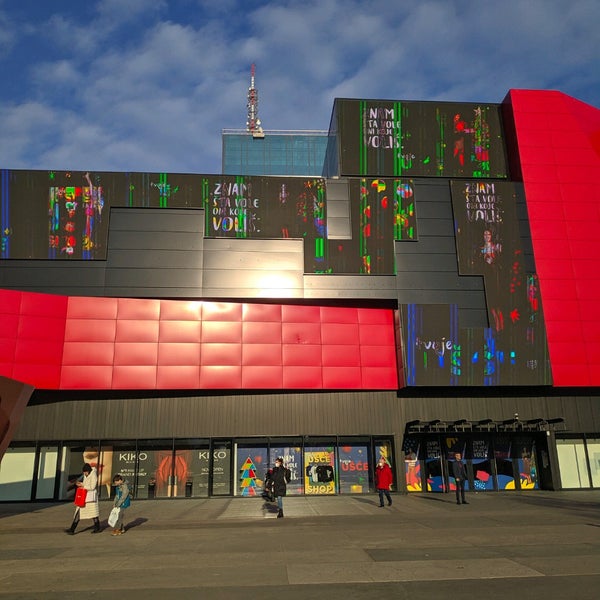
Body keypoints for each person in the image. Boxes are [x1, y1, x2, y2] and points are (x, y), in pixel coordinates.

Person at [65, 463, 101, 534]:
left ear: (89, 471)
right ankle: (72, 529)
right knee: (79, 512)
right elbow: (86, 484)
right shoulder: (86, 475)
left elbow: (92, 486)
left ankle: (97, 527)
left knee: (93, 514)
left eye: (85, 472)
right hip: (84, 497)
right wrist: (81, 485)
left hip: (90, 498)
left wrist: (83, 485)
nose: (85, 473)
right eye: (84, 472)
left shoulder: (93, 475)